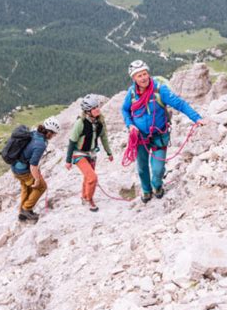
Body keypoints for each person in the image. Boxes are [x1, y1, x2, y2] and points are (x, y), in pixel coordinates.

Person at [122, 60, 206, 203]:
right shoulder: (131, 93)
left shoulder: (160, 90)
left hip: (158, 135)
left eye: (144, 74)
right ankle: (146, 191)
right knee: (142, 168)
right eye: (139, 76)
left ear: (148, 73)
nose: (143, 78)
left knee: (158, 169)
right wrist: (130, 125)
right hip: (140, 137)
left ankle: (157, 186)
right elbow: (125, 110)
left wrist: (197, 118)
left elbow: (180, 104)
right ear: (134, 78)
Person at [65, 94, 113, 211]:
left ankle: (84, 196)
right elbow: (72, 141)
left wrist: (109, 153)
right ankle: (89, 200)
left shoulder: (100, 122)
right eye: (94, 108)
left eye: (97, 106)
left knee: (87, 177)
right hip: (79, 153)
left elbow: (104, 138)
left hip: (92, 153)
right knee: (92, 178)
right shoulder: (80, 123)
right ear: (87, 111)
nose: (98, 109)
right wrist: (68, 160)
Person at [11, 116, 61, 222]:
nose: (54, 136)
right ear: (49, 132)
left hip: (16, 166)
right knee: (41, 186)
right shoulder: (40, 145)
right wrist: (37, 179)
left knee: (26, 187)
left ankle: (22, 213)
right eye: (54, 134)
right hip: (24, 170)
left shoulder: (34, 133)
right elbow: (33, 165)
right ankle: (26, 209)